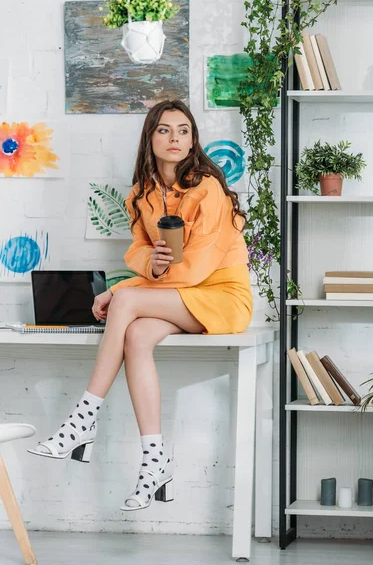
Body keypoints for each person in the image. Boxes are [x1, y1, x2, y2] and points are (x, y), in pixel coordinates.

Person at [28, 99, 253, 512]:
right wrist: (145, 264)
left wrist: (121, 289)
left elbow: (196, 271)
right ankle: (155, 462)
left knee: (126, 299)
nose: (175, 138)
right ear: (150, 137)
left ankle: (82, 420)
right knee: (134, 332)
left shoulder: (208, 190)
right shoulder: (142, 195)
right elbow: (138, 249)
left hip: (221, 296)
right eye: (165, 129)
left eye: (184, 130)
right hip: (179, 297)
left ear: (193, 140)